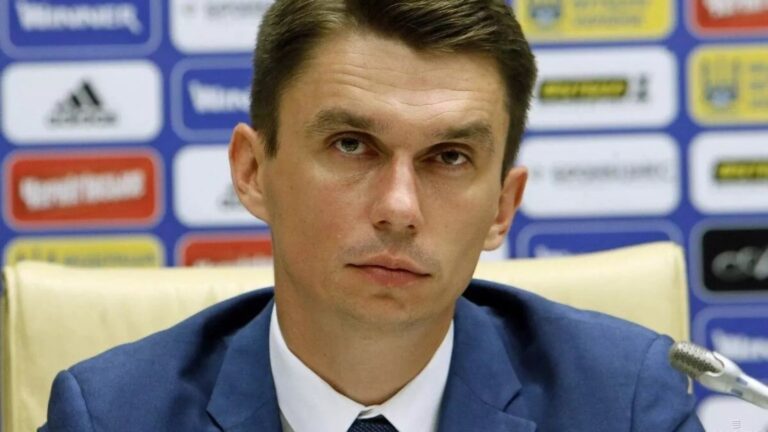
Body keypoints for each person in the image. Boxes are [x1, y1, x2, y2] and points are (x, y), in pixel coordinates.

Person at [40, 1, 704, 431]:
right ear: (252, 172)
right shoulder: (113, 417)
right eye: (351, 145)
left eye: (449, 157)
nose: (398, 209)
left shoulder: (622, 406)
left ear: (502, 207)